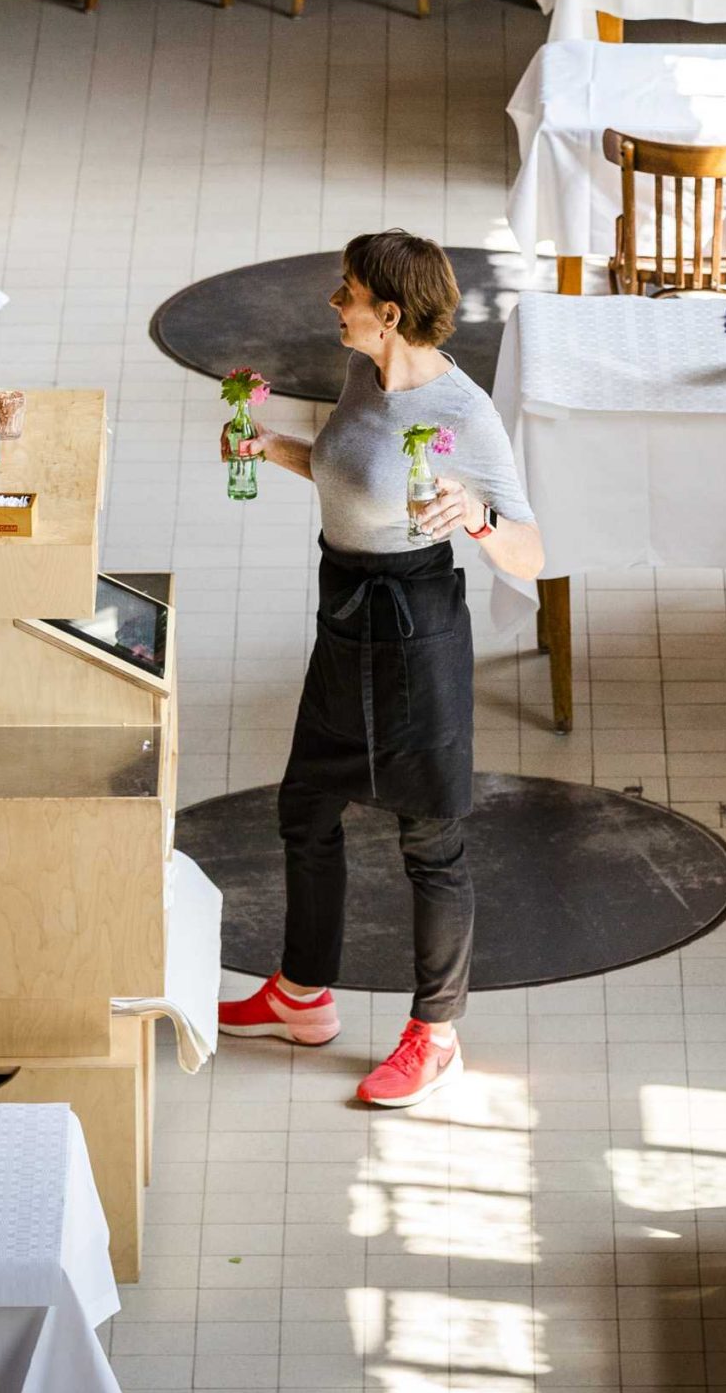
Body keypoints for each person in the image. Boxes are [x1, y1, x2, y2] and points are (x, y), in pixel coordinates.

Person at [214, 231, 544, 1107]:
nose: (334, 303)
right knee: (307, 808)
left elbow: (532, 553)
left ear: (388, 314)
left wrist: (475, 514)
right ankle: (301, 995)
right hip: (344, 613)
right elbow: (344, 469)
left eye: (347, 291)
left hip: (416, 628)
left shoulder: (464, 416)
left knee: (430, 839)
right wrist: (271, 448)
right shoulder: (363, 374)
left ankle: (435, 1036)